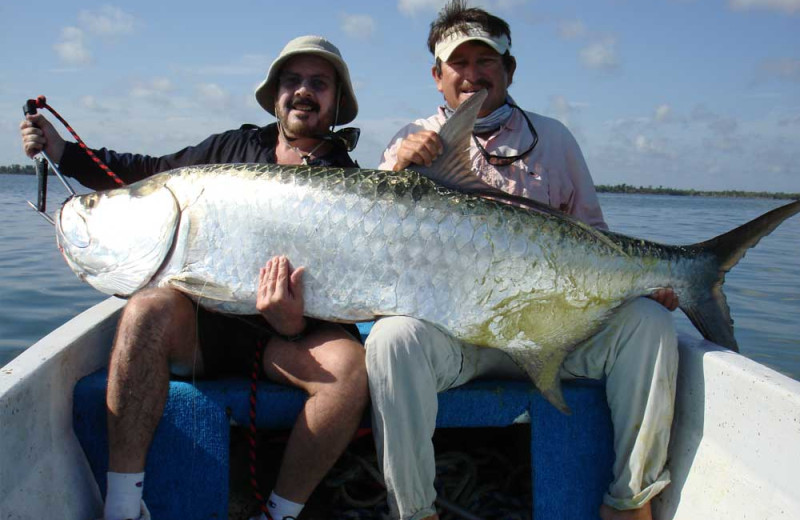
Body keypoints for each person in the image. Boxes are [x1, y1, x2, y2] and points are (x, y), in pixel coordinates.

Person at [20, 35, 368, 520]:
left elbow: (348, 299)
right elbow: (145, 176)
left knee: (350, 371)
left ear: (336, 102)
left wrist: (293, 322)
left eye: (319, 83)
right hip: (205, 328)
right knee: (144, 309)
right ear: (276, 95)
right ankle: (122, 507)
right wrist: (63, 152)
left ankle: (279, 513)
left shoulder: (348, 183)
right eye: (293, 81)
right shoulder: (231, 147)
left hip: (283, 342)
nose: (303, 92)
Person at [368, 2, 679, 520]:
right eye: (457, 64)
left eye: (485, 61)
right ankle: (416, 512)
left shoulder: (554, 139)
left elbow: (594, 238)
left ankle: (630, 502)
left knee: (647, 323)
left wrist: (633, 284)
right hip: (457, 342)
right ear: (436, 76)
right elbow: (375, 244)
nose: (472, 74)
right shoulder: (409, 140)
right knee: (391, 340)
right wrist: (398, 169)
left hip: (554, 330)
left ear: (508, 70)